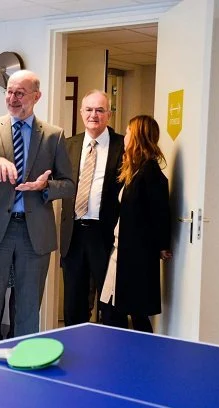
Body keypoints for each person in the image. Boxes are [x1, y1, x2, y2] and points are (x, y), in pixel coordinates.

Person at [0, 70, 75, 345]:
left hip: (34, 234)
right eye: (9, 92)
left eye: (19, 93)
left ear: (37, 97)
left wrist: (45, 188)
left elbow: (69, 184)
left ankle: (24, 369)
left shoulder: (53, 136)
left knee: (27, 312)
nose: (12, 98)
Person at [99, 115, 172, 333]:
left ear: (138, 137)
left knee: (133, 311)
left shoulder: (149, 172)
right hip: (122, 250)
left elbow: (159, 211)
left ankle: (142, 357)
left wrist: (162, 244)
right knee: (113, 306)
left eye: (129, 131)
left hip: (136, 255)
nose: (126, 135)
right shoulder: (135, 170)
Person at [60, 90, 124, 326]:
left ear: (109, 113)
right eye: (89, 110)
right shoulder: (68, 145)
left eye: (99, 110)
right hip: (73, 234)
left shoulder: (123, 145)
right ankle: (74, 348)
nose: (93, 115)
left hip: (106, 234)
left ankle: (111, 352)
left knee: (110, 303)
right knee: (73, 302)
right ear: (81, 113)